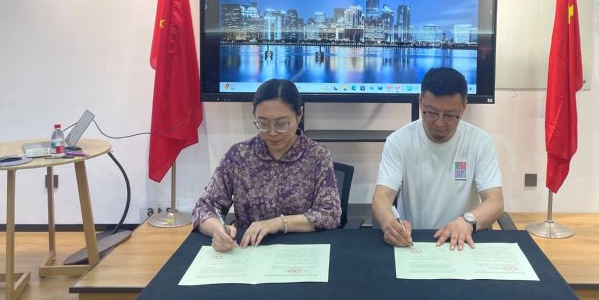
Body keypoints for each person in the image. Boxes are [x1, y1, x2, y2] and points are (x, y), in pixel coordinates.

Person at [192, 78, 341, 251]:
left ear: (299, 115)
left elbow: (330, 213)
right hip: (249, 251)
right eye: (263, 124)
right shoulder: (239, 155)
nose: (272, 132)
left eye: (281, 124)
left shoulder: (317, 155)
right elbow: (205, 206)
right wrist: (218, 230)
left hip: (300, 252)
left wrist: (277, 223)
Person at [372, 67, 504, 250]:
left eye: (449, 115)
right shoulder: (399, 141)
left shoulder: (480, 142)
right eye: (431, 113)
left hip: (462, 241)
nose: (440, 123)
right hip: (414, 241)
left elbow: (495, 202)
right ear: (420, 102)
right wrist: (390, 222)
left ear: (463, 107)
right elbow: (381, 197)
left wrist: (468, 221)